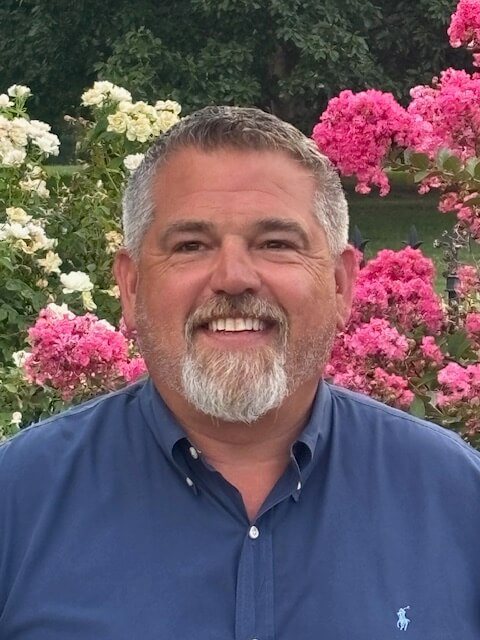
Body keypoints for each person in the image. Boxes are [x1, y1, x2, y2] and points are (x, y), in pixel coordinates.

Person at [1, 106, 479, 640]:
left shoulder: (459, 499)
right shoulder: (18, 502)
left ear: (342, 285)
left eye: (275, 244)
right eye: (191, 246)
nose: (232, 278)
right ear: (131, 287)